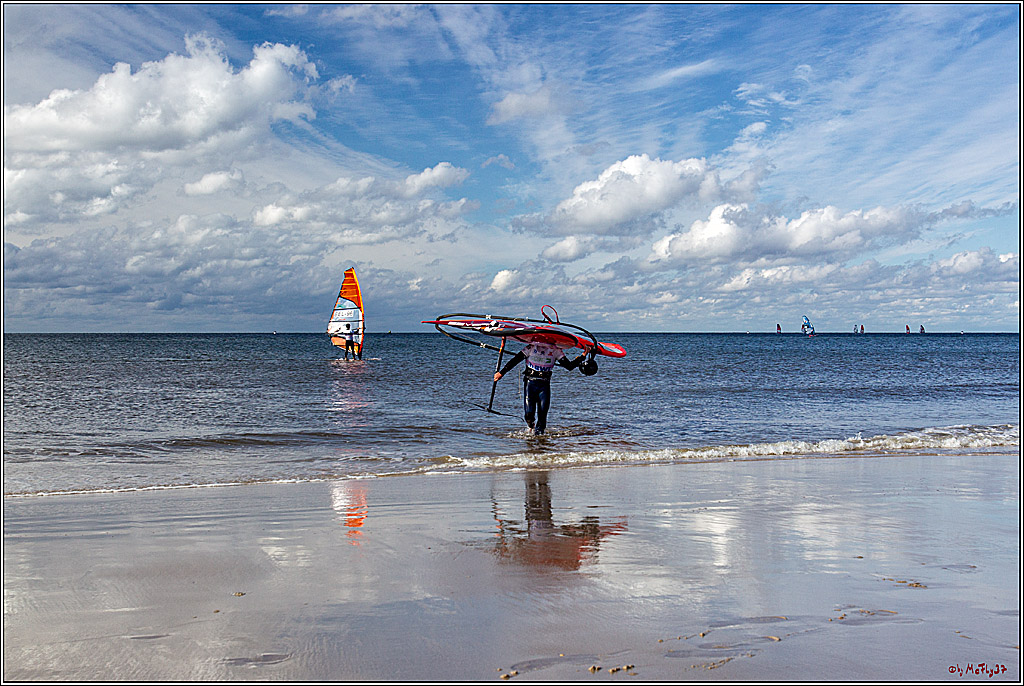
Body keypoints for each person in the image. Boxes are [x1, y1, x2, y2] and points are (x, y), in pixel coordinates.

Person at [493, 338, 585, 435]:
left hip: (544, 385)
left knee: (542, 416)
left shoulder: (555, 350)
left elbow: (569, 366)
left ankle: (540, 443)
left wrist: (583, 355)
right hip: (530, 383)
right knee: (528, 415)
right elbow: (515, 360)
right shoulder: (531, 348)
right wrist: (501, 373)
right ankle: (531, 430)